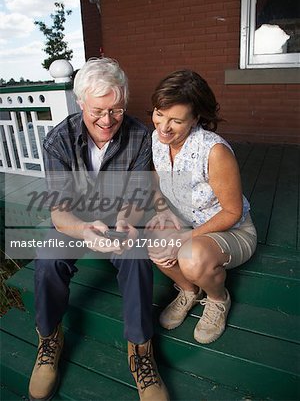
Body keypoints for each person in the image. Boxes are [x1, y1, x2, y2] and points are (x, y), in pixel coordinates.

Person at [28, 58, 169, 401]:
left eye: (116, 110)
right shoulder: (57, 141)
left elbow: (137, 195)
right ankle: (49, 338)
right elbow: (59, 212)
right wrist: (83, 230)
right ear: (80, 104)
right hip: (76, 221)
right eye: (98, 111)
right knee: (47, 260)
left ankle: (140, 351)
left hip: (118, 216)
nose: (107, 121)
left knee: (136, 257)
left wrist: (126, 219)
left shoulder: (139, 136)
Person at [146, 69, 257, 345]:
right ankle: (188, 290)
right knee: (150, 239)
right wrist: (163, 213)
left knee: (191, 257)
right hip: (189, 224)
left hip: (233, 230)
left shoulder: (214, 151)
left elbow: (231, 212)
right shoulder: (158, 141)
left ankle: (218, 299)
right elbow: (156, 183)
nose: (163, 127)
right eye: (159, 114)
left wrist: (183, 239)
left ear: (196, 118)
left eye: (176, 120)